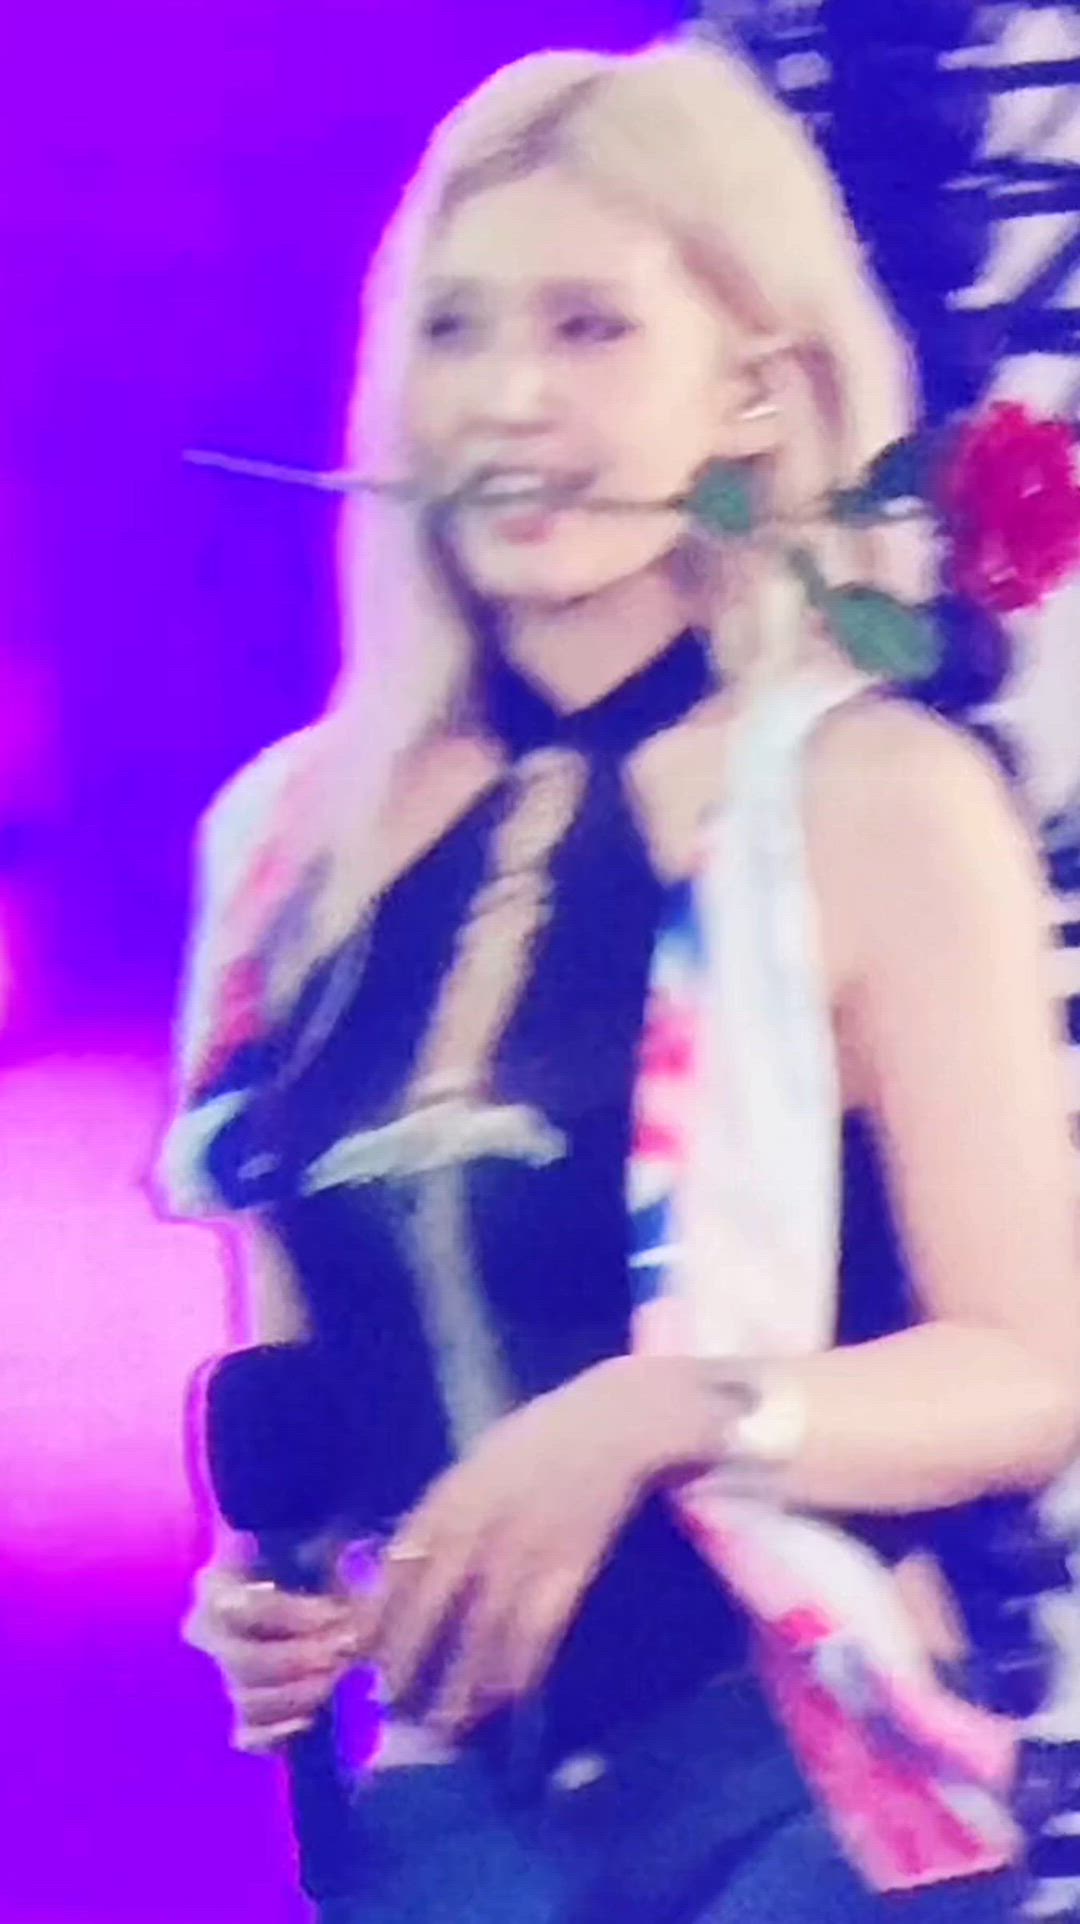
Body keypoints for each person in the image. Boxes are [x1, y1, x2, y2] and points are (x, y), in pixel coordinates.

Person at [163, 37, 1080, 1924]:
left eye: (589, 328)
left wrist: (660, 1414)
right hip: (443, 1832)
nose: (509, 398)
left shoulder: (872, 794)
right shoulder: (286, 844)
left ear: (751, 385)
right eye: (456, 330)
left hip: (795, 1800)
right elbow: (299, 1377)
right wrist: (269, 1600)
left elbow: (1035, 1366)